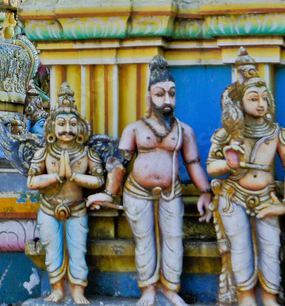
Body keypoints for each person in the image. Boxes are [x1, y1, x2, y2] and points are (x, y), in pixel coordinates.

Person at [87, 56, 212, 306]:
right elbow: (118, 163)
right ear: (148, 98)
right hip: (138, 192)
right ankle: (148, 289)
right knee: (144, 242)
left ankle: (170, 289)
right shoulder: (135, 129)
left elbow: (193, 163)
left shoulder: (183, 130)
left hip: (170, 193)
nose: (167, 101)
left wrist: (205, 192)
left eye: (172, 94)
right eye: (160, 94)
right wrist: (108, 193)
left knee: (174, 239)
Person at [207, 48, 285, 306]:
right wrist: (228, 163)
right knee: (240, 248)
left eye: (264, 98)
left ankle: (270, 298)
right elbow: (211, 167)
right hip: (233, 196)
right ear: (239, 102)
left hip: (267, 198)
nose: (261, 104)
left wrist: (282, 206)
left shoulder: (276, 133)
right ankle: (246, 298)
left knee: (271, 248)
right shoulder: (227, 134)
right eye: (253, 98)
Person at [27, 83, 104, 305]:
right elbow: (31, 181)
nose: (67, 129)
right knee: (53, 250)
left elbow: (99, 180)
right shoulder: (44, 153)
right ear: (52, 127)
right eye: (61, 124)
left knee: (78, 250)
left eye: (72, 124)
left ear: (81, 127)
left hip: (77, 208)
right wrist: (56, 177)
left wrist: (75, 177)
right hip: (49, 208)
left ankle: (78, 290)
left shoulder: (87, 153)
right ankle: (58, 289)